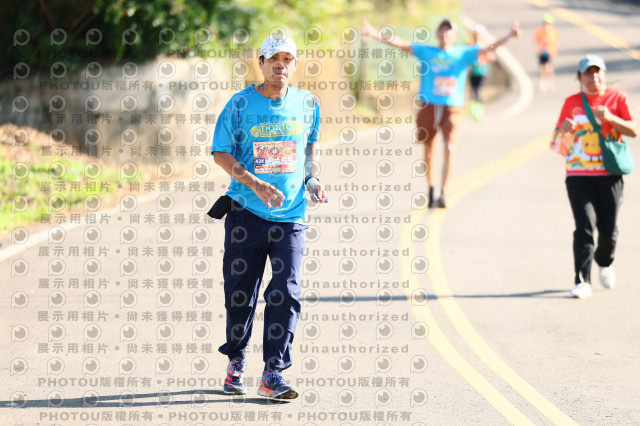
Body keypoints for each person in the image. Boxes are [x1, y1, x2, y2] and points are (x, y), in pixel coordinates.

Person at [211, 34, 327, 398]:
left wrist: (311, 179)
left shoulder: (307, 103)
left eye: (287, 59)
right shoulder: (239, 104)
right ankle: (236, 361)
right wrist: (255, 183)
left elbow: (308, 148)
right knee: (240, 293)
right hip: (246, 213)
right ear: (260, 63)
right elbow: (220, 152)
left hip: (291, 215)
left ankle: (273, 372)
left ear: (295, 65)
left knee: (286, 291)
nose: (281, 65)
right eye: (273, 58)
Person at [361, 18, 520, 208]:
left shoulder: (463, 53)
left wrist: (508, 37)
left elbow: (488, 49)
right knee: (429, 150)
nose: (445, 34)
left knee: (450, 149)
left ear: (454, 35)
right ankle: (431, 188)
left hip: (451, 108)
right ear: (437, 34)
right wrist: (374, 33)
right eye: (442, 30)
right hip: (428, 106)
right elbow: (401, 43)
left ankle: (443, 192)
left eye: (448, 31)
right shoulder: (427, 52)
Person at [551, 54, 637, 299]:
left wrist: (610, 117)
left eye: (597, 71)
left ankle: (605, 261)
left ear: (604, 74)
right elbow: (558, 145)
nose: (593, 76)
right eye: (588, 72)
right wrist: (562, 131)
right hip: (578, 175)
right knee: (584, 227)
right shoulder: (571, 103)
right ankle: (582, 281)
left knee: (608, 230)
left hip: (609, 174)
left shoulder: (618, 97)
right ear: (579, 77)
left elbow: (634, 130)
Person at [468, 24, 496, 121]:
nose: (477, 36)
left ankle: (479, 111)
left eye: (478, 34)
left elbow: (492, 57)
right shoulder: (470, 45)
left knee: (479, 90)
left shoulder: (486, 45)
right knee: (474, 90)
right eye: (475, 34)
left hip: (483, 72)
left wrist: (484, 59)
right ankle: (474, 109)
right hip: (473, 72)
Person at [533, 14, 560, 92]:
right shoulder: (540, 30)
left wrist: (551, 44)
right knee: (542, 66)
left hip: (550, 51)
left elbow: (557, 41)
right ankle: (542, 81)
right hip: (542, 51)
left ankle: (549, 81)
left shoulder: (553, 31)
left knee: (548, 66)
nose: (546, 25)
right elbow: (536, 39)